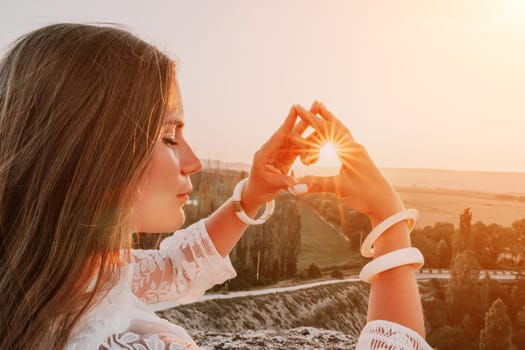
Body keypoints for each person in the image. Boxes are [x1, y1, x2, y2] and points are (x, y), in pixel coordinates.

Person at [0, 23, 431, 349]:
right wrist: (389, 219)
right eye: (169, 136)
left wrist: (253, 194)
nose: (194, 161)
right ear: (94, 156)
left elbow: (173, 266)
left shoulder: (48, 278)